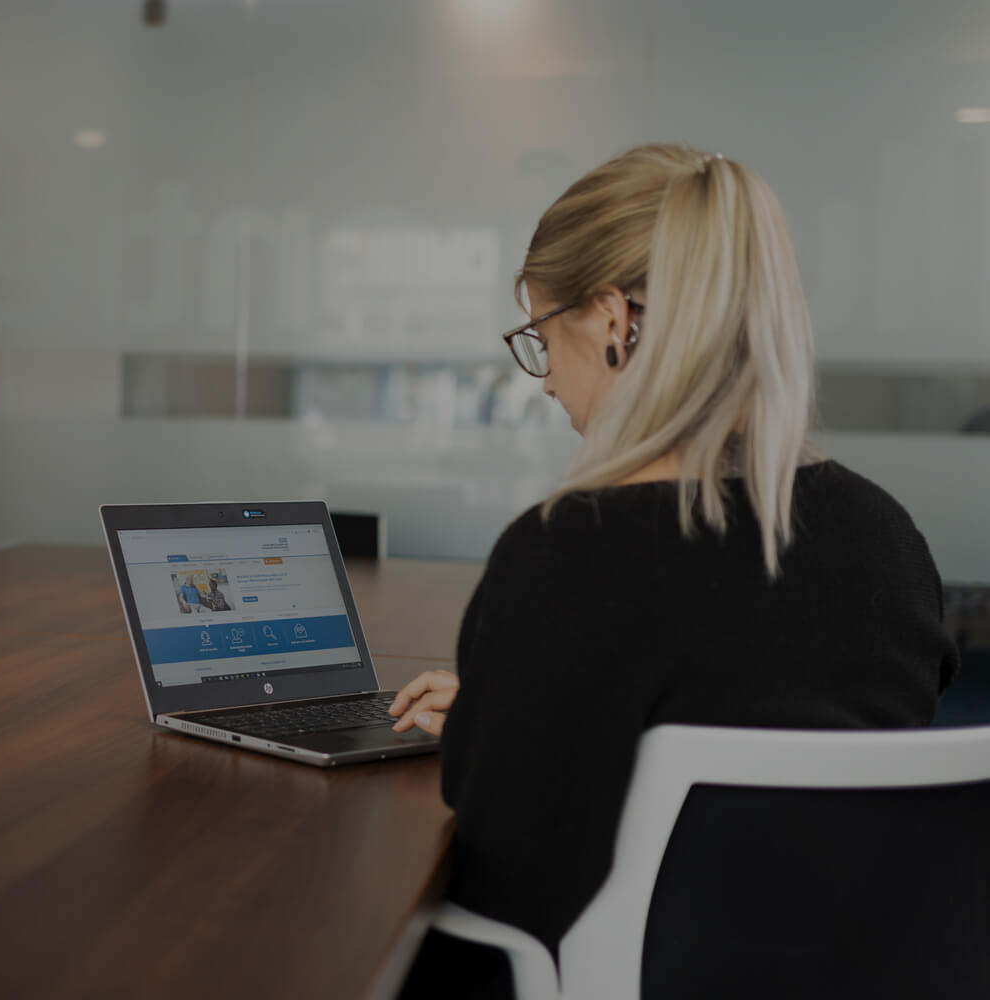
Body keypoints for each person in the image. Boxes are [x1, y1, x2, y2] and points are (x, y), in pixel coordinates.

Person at [387, 144, 959, 996]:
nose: (545, 386)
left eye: (542, 339)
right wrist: (515, 713)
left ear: (614, 320)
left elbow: (511, 869)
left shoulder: (568, 552)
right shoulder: (885, 536)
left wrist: (494, 736)